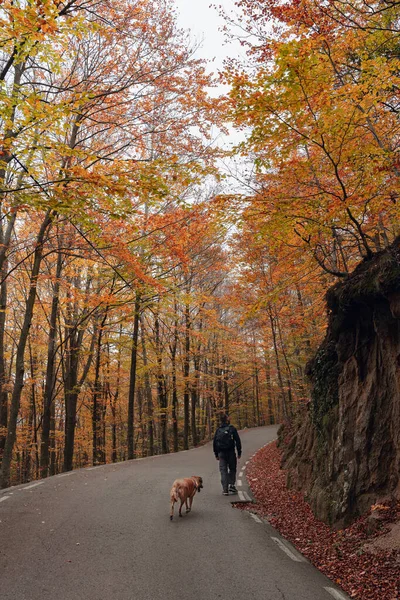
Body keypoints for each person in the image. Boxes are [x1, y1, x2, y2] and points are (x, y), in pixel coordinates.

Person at [213, 413, 242, 496]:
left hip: (221, 453)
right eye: (228, 417)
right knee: (232, 469)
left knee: (223, 471)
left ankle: (225, 489)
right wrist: (239, 452)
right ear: (226, 419)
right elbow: (238, 441)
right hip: (231, 452)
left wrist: (216, 454)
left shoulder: (218, 430)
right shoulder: (232, 429)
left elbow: (215, 443)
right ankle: (232, 485)